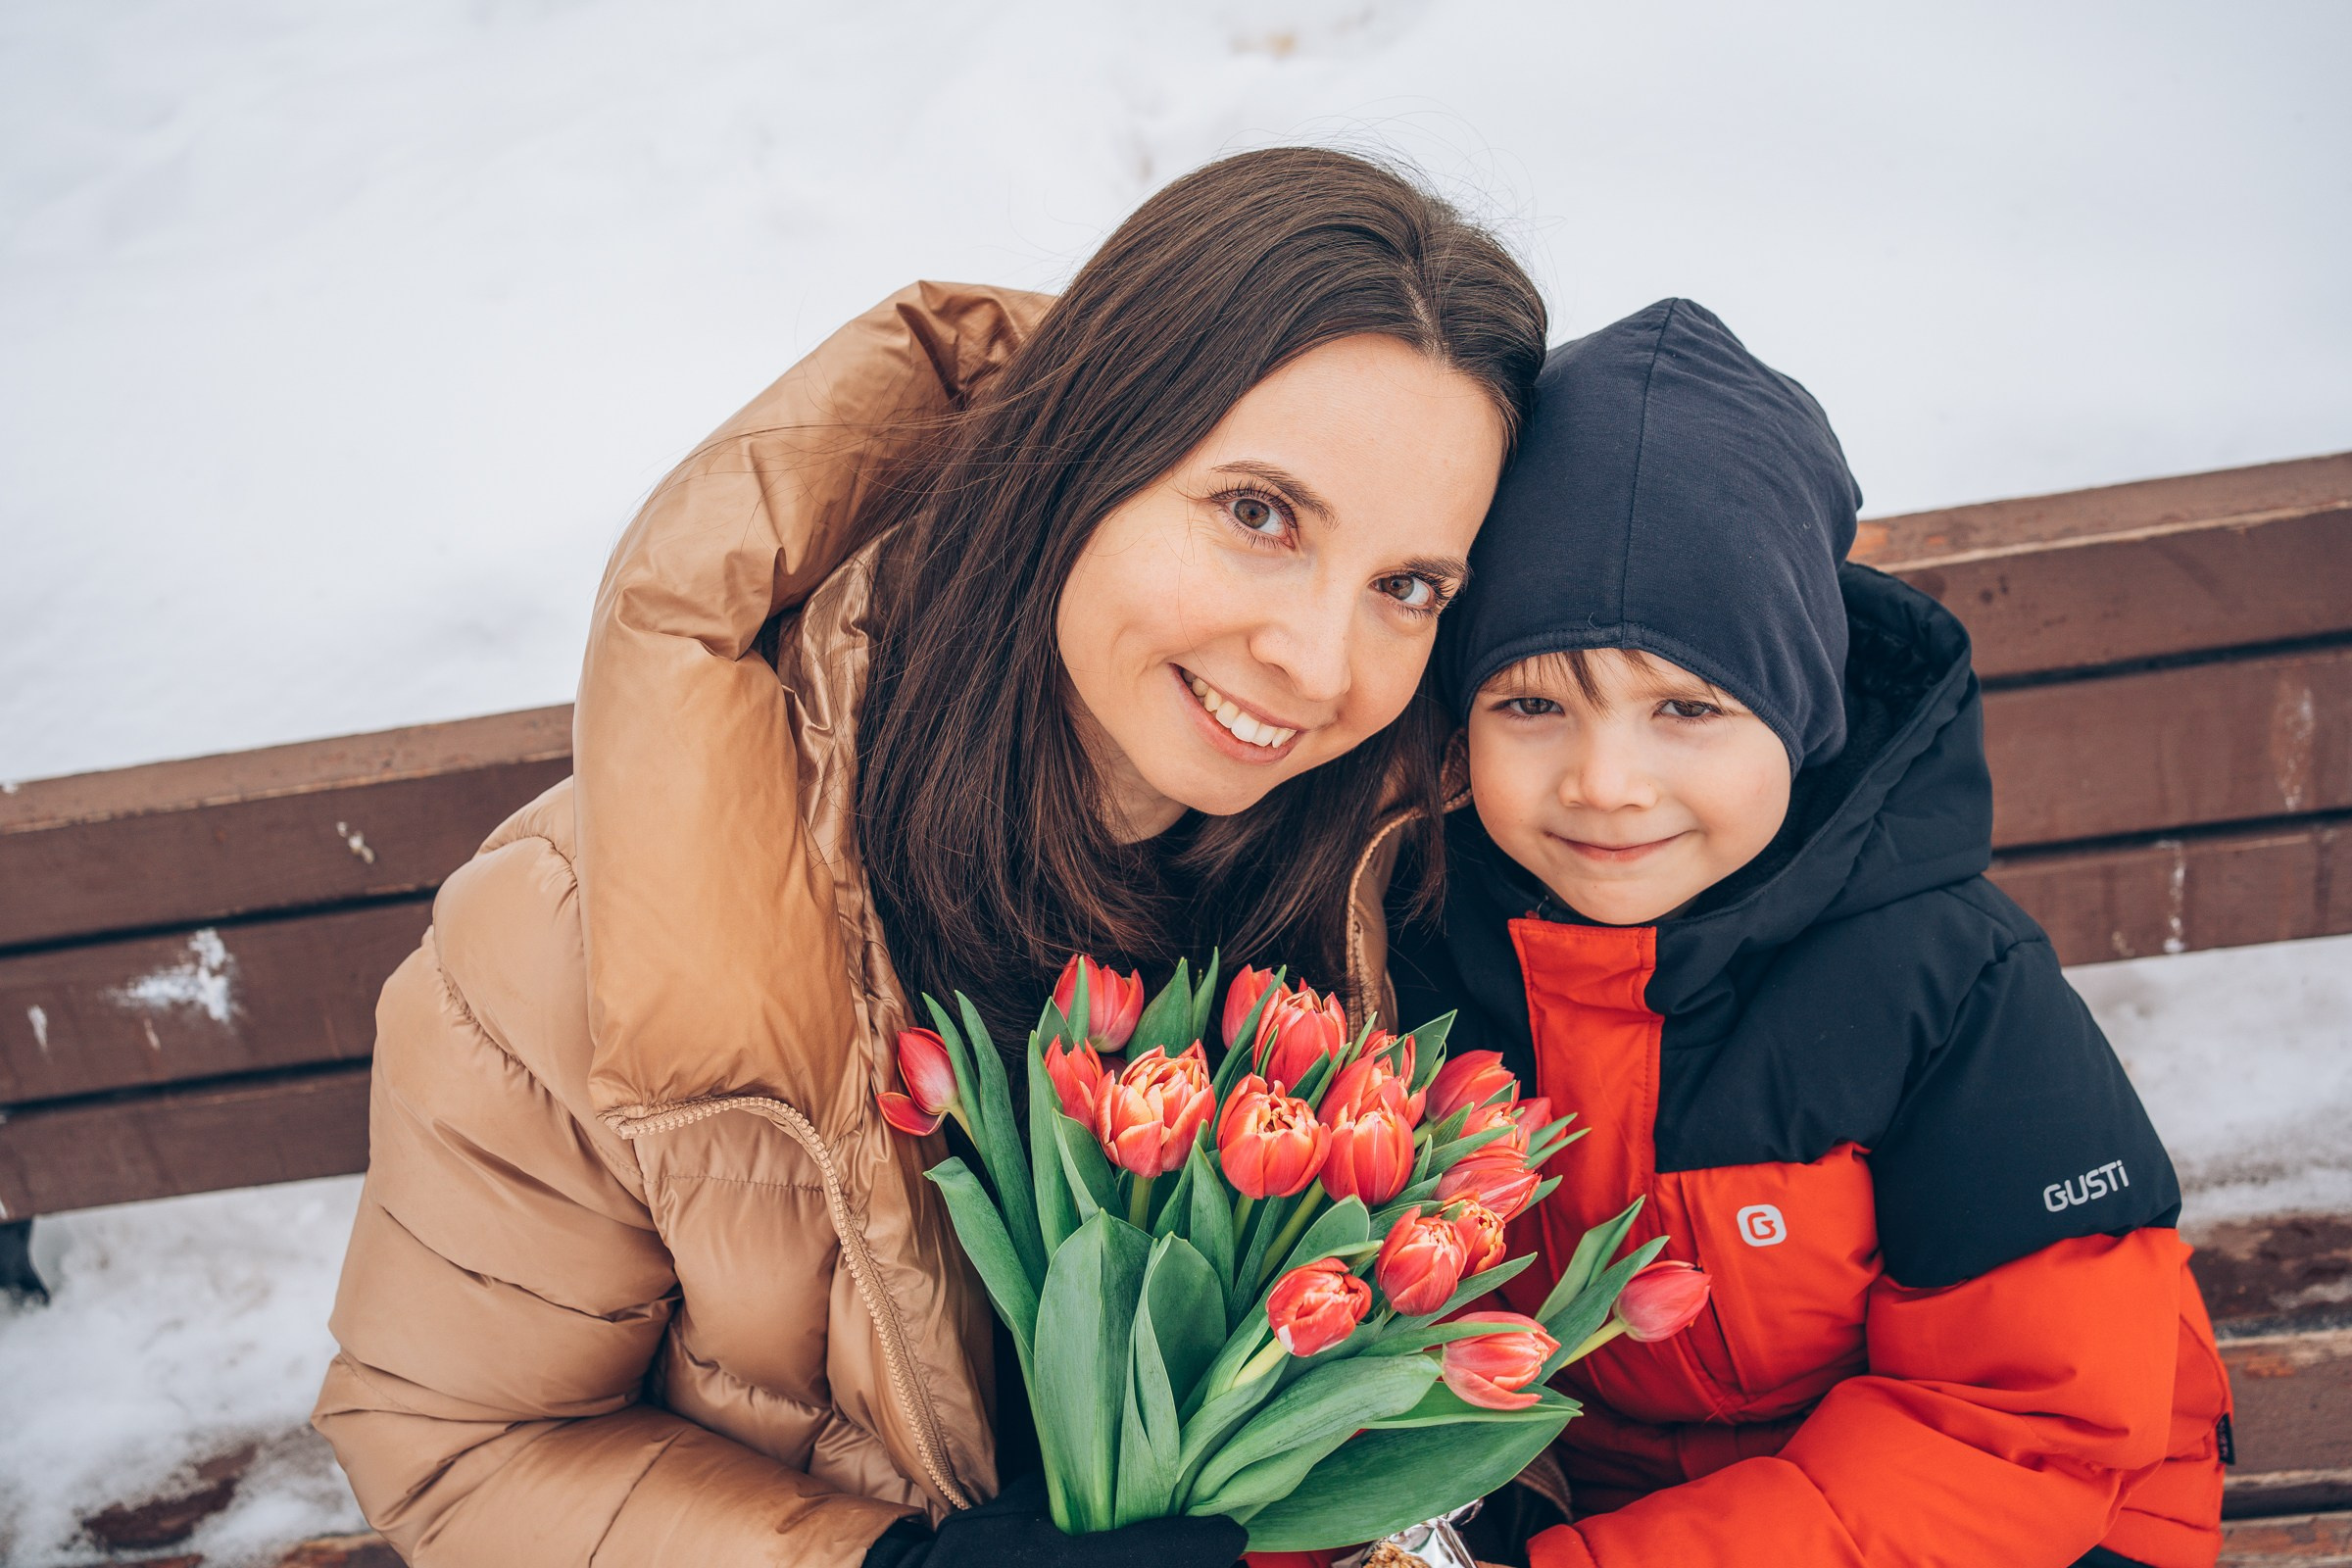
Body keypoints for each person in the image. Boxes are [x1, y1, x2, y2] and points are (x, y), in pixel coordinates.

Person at [311, 146, 1547, 1567]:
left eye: (1407, 587)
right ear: (1080, 456)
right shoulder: (581, 923)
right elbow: (459, 1449)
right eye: (1258, 515)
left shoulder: (1400, 872)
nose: (1320, 661)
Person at [1391, 299, 2230, 1567]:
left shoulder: (1945, 987)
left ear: (1800, 714)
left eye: (1686, 705)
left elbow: (2025, 1421)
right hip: (1636, 1517)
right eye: (1531, 701)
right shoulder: (1415, 950)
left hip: (2033, 1516)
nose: (1605, 779)